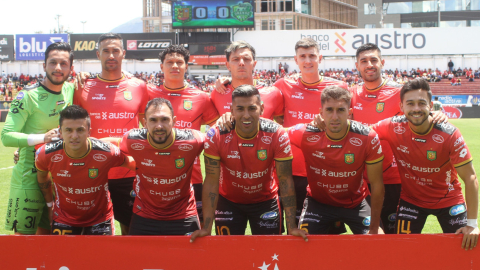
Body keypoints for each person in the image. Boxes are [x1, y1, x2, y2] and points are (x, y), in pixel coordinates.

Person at [190, 85, 307, 242]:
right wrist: (206, 228)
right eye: (240, 109)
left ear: (262, 108)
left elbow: (285, 180)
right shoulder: (217, 135)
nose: (246, 115)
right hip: (228, 202)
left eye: (252, 108)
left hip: (265, 202)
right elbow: (211, 181)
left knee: (270, 256)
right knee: (228, 256)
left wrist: (292, 226)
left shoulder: (277, 134)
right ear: (231, 110)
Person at [372, 78, 479, 250]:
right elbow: (363, 133)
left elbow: (471, 177)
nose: (416, 109)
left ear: (431, 105)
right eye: (410, 103)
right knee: (402, 250)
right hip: (411, 200)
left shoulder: (449, 134)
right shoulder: (393, 127)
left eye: (422, 103)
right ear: (401, 107)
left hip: (449, 200)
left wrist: (473, 224)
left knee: (463, 247)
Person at [74, 33, 149, 235]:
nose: (111, 55)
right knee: (91, 231)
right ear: (98, 54)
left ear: (123, 53)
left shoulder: (139, 86)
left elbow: (147, 128)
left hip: (128, 170)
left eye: (115, 50)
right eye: (106, 51)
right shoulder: (82, 86)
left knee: (131, 229)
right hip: (93, 170)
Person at [288, 85, 384, 234]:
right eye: (329, 110)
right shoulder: (305, 133)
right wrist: (237, 118)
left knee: (378, 242)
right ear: (321, 113)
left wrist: (373, 229)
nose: (334, 117)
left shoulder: (367, 137)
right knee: (303, 246)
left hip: (356, 203)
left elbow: (377, 185)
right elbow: (274, 132)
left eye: (340, 110)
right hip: (318, 203)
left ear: (350, 113)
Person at [1, 42, 75, 235]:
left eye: (63, 63)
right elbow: (6, 136)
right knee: (23, 241)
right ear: (44, 66)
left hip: (58, 177)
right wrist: (42, 137)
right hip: (29, 177)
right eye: (52, 63)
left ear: (71, 68)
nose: (58, 68)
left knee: (48, 236)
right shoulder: (27, 96)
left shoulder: (70, 89)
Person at [147, 45, 219, 225]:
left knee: (195, 236)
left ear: (187, 66)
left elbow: (216, 130)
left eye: (180, 62)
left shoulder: (201, 97)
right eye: (169, 62)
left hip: (191, 178)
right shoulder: (147, 93)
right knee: (153, 234)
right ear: (161, 66)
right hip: (153, 177)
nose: (175, 66)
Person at [35, 105, 134, 235]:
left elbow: (133, 164)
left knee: (100, 256)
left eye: (80, 130)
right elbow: (42, 177)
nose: (74, 136)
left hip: (100, 219)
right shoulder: (45, 154)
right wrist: (49, 206)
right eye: (68, 130)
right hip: (63, 218)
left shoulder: (107, 152)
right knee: (65, 255)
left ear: (89, 131)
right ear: (60, 131)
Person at [114, 98, 205, 235]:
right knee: (139, 256)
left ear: (174, 121)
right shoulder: (132, 139)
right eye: (153, 120)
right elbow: (112, 144)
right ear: (144, 123)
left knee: (188, 257)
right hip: (144, 214)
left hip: (183, 214)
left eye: (164, 119)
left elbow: (216, 138)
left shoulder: (193, 141)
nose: (159, 126)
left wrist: (226, 118)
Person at [211, 41, 284, 123]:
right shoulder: (217, 94)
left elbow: (283, 125)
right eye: (235, 59)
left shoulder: (273, 94)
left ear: (254, 64)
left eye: (246, 59)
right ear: (228, 65)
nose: (241, 63)